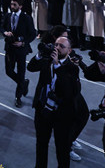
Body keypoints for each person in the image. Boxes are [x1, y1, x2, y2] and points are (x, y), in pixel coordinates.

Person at [28, 36, 81, 168]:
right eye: (56, 44)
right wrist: (40, 55)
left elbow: (68, 91)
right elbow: (31, 67)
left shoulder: (72, 67)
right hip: (43, 109)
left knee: (62, 149)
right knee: (41, 144)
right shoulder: (47, 60)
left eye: (61, 46)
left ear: (69, 50)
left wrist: (57, 65)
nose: (56, 48)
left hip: (61, 114)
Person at [3, 0, 35, 107]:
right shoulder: (7, 16)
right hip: (9, 48)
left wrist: (23, 43)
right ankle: (23, 83)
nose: (12, 7)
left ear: (20, 6)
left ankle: (18, 97)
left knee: (21, 73)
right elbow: (2, 28)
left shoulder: (26, 18)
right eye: (11, 4)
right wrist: (5, 33)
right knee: (8, 71)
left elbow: (32, 34)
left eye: (14, 5)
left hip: (21, 50)